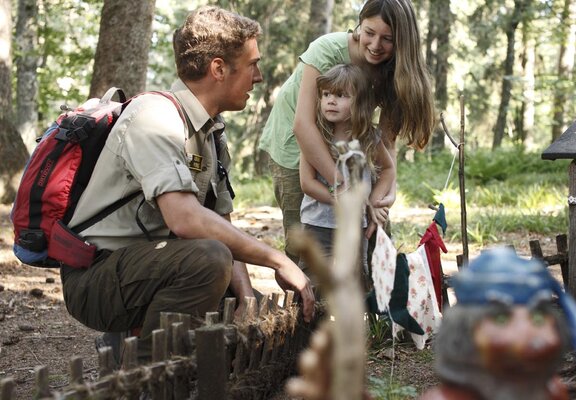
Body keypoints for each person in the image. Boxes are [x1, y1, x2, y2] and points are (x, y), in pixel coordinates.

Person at [61, 6, 314, 363]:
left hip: (151, 267)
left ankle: (132, 346)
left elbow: (219, 222)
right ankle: (145, 373)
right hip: (97, 277)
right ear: (218, 68)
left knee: (248, 305)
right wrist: (276, 260)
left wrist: (245, 296)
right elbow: (185, 219)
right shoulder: (154, 117)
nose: (259, 76)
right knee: (208, 260)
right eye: (252, 64)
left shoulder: (210, 132)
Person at [259, 0, 436, 264]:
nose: (376, 46)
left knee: (373, 233)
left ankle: (372, 295)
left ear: (402, 41)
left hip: (350, 143)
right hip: (296, 143)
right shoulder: (327, 50)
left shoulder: (394, 70)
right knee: (306, 240)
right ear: (359, 25)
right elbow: (303, 125)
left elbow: (386, 141)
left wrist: (387, 189)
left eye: (388, 39)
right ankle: (310, 300)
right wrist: (343, 185)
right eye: (369, 33)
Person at [299, 64, 394, 285]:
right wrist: (338, 197)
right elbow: (307, 183)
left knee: (354, 282)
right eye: (326, 94)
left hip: (354, 226)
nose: (331, 100)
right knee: (314, 282)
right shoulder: (316, 136)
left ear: (359, 102)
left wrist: (373, 202)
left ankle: (350, 320)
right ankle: (312, 320)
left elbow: (388, 170)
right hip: (318, 224)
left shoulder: (369, 138)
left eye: (341, 95)